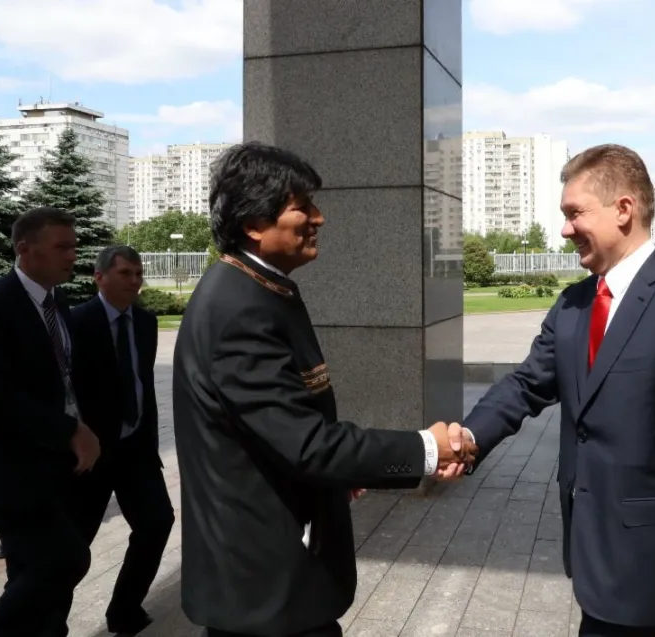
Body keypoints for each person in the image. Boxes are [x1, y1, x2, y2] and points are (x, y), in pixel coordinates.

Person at [172, 142, 474, 637]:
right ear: (253, 222)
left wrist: (343, 471)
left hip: (273, 583)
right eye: (302, 207)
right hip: (262, 591)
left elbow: (281, 430)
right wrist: (426, 447)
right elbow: (309, 444)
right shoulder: (239, 308)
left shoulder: (260, 287)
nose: (319, 218)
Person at [453, 144, 655, 637]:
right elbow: (527, 383)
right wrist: (469, 438)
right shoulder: (574, 304)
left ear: (623, 209)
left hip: (645, 562)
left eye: (573, 213)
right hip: (591, 549)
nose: (565, 229)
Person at [0, 206, 101, 637]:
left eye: (74, 245)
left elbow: (62, 380)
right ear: (25, 249)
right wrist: (69, 429)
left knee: (35, 575)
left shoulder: (59, 304)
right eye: (62, 247)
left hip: (52, 465)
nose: (74, 255)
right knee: (65, 559)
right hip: (3, 470)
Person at [69, 245, 175, 636]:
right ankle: (46, 618)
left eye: (138, 273)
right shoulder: (75, 322)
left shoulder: (145, 323)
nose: (134, 281)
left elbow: (141, 384)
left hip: (136, 450)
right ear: (100, 277)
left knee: (157, 523)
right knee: (73, 545)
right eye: (125, 273)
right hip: (92, 453)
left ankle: (124, 609)